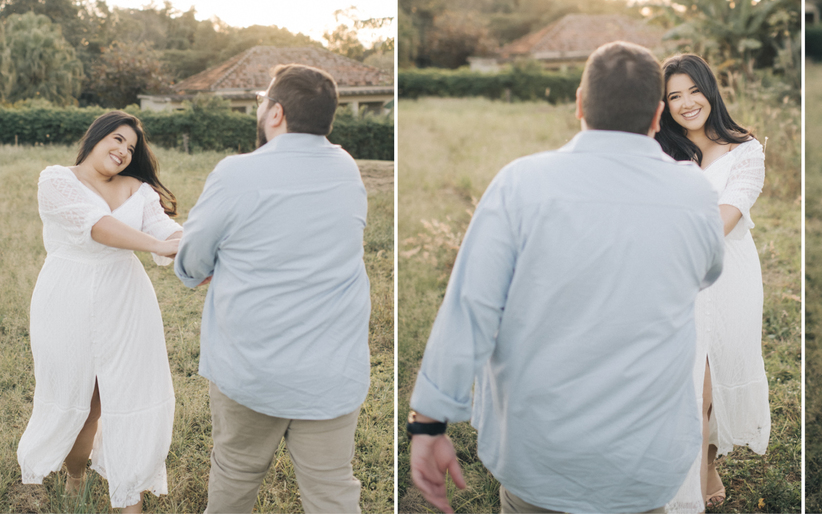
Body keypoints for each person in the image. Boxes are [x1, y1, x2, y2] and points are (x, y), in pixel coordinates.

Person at [407, 41, 725, 514]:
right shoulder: (694, 193)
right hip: (643, 461)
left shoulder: (519, 184)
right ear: (659, 115)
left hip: (539, 458)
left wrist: (429, 426)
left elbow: (470, 309)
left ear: (579, 104)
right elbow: (708, 271)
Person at [174, 64, 371, 514]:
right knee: (333, 492)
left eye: (263, 100)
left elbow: (190, 264)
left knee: (235, 476)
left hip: (252, 369)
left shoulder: (235, 173)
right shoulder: (347, 169)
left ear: (276, 113)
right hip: (332, 370)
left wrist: (213, 264)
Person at [18, 111, 182, 513]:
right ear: (96, 136)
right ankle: (76, 475)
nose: (124, 151)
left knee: (129, 393)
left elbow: (166, 232)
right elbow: (97, 227)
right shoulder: (57, 179)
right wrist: (156, 246)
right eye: (118, 139)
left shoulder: (137, 189)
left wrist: (187, 244)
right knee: (83, 399)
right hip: (66, 297)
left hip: (125, 300)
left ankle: (130, 497)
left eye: (131, 147)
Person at [654, 53, 770, 512]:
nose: (686, 104)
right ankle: (685, 487)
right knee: (691, 389)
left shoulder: (748, 150)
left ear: (710, 90)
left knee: (718, 375)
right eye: (674, 97)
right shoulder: (659, 151)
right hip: (673, 279)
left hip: (727, 278)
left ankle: (707, 460)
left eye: (693, 91)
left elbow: (727, 215)